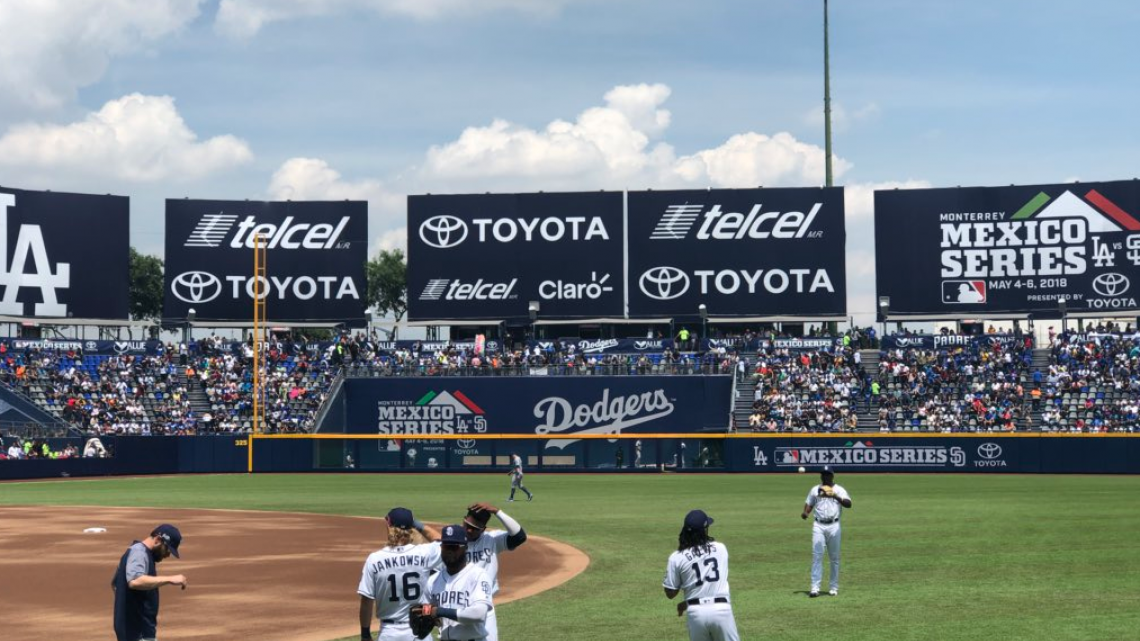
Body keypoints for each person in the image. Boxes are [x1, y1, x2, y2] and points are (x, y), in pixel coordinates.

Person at [358, 508, 442, 641]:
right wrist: (416, 524)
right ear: (411, 527)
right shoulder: (424, 553)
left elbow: (367, 601)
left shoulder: (374, 559)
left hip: (389, 632)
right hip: (420, 632)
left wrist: (365, 634)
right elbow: (442, 541)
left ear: (388, 525)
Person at [663, 509, 739, 641]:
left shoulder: (676, 558)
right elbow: (707, 583)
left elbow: (670, 593)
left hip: (696, 613)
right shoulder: (721, 548)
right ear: (704, 530)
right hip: (722, 610)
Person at [461, 502, 527, 641]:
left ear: (483, 529)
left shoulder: (492, 540)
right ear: (464, 521)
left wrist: (498, 512)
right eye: (468, 526)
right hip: (459, 605)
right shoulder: (453, 541)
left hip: (486, 608)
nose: (469, 531)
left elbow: (519, 536)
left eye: (475, 528)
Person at [111, 524, 187, 641]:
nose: (167, 554)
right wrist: (169, 579)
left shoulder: (142, 554)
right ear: (157, 540)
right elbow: (135, 581)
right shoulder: (139, 553)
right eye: (167, 549)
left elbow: (115, 584)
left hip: (138, 629)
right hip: (136, 631)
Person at [420, 524, 493, 641]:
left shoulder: (478, 576)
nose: (449, 551)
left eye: (454, 547)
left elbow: (478, 613)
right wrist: (425, 615)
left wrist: (439, 611)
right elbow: (427, 609)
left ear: (465, 547)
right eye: (445, 546)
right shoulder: (433, 580)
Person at [800, 465, 852, 597]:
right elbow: (809, 503)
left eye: (828, 474)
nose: (825, 476)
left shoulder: (839, 490)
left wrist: (835, 496)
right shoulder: (815, 489)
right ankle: (814, 588)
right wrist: (805, 513)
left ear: (832, 476)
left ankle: (833, 587)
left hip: (834, 526)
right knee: (817, 556)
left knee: (834, 558)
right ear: (821, 476)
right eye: (823, 474)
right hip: (818, 525)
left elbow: (848, 504)